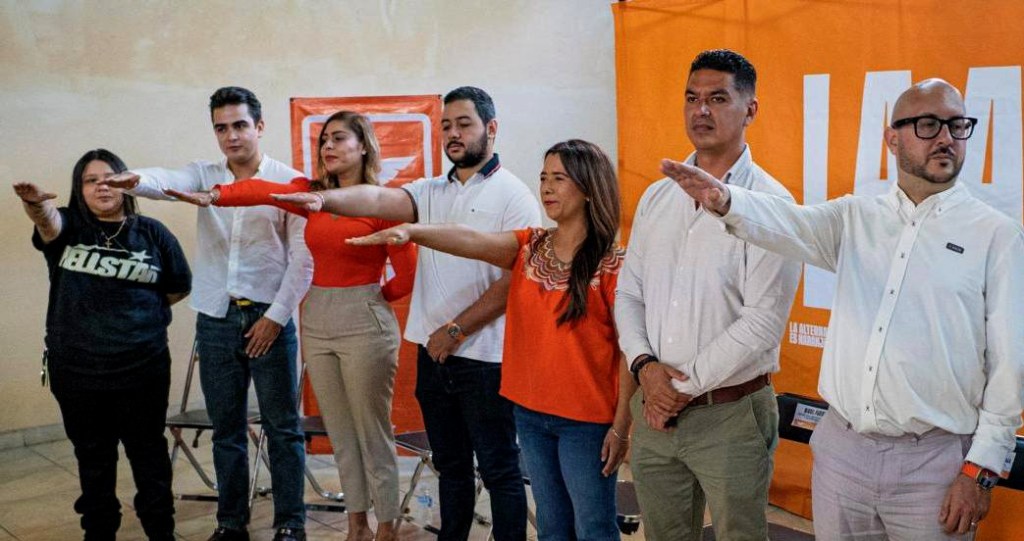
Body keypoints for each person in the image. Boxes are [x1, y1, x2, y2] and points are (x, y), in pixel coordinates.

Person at [668, 78, 1024, 540]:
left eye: (957, 126)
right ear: (892, 138)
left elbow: (1010, 365)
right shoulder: (857, 217)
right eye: (929, 125)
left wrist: (980, 470)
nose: (946, 138)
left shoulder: (996, 236)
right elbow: (789, 223)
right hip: (843, 455)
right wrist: (725, 200)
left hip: (935, 465)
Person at [273, 86, 540, 540]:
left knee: (499, 469)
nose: (453, 134)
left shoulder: (514, 195)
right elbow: (378, 201)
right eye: (446, 125)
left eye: (464, 124)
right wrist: (324, 200)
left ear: (491, 128)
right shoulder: (429, 189)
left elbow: (516, 281)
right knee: (451, 466)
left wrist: (456, 330)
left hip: (484, 357)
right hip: (433, 354)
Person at [349, 139, 636, 540]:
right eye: (544, 178)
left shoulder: (613, 263)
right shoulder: (531, 246)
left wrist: (622, 427)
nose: (547, 188)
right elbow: (470, 239)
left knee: (592, 527)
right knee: (551, 527)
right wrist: (413, 232)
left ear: (588, 188)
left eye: (559, 179)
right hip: (530, 414)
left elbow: (629, 352)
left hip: (586, 422)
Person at [167, 110, 416, 541]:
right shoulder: (310, 193)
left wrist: (372, 300)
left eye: (339, 138)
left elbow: (408, 277)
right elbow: (260, 190)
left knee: (371, 430)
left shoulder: (384, 202)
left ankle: (387, 526)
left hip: (364, 319)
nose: (329, 146)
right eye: (324, 140)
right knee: (340, 431)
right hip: (317, 317)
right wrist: (216, 196)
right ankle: (357, 524)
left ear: (363, 145)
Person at [99, 87, 313, 541]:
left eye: (240, 125)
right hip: (216, 318)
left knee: (282, 429)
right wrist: (133, 179)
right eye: (221, 128)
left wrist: (276, 318)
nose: (231, 136)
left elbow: (303, 259)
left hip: (270, 317)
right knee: (226, 430)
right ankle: (231, 524)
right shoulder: (203, 175)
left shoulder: (292, 182)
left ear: (260, 126)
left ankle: (290, 524)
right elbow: (167, 181)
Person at [614, 49, 801, 541]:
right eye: (692, 98)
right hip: (654, 412)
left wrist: (676, 389)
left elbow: (763, 323)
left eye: (718, 98)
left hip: (730, 415)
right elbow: (629, 293)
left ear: (750, 109)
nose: (701, 110)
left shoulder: (772, 205)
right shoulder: (657, 196)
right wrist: (644, 367)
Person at [14, 149, 192, 541]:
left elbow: (178, 288)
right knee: (94, 459)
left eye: (110, 178)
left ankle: (161, 531)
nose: (102, 186)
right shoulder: (68, 227)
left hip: (143, 368)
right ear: (79, 189)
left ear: (126, 183)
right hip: (77, 371)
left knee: (149, 455)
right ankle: (99, 533)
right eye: (91, 180)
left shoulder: (153, 233)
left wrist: (135, 319)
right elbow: (47, 222)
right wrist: (36, 206)